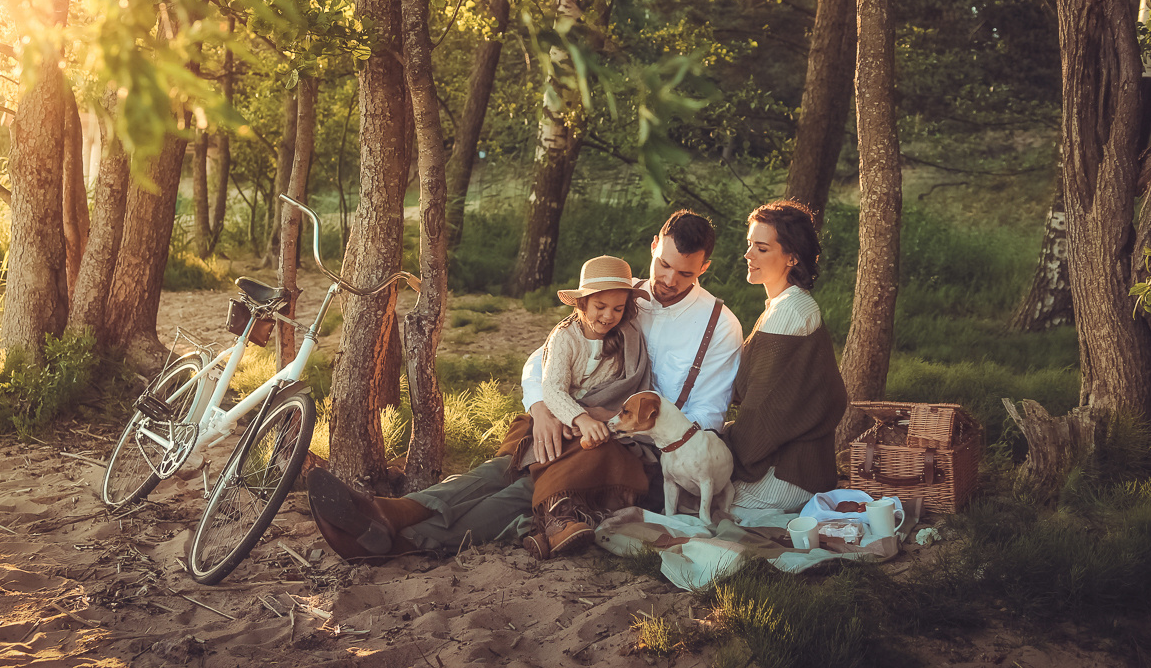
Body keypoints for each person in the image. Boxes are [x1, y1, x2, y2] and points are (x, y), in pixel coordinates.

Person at [307, 210, 743, 561]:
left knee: (529, 484)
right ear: (654, 247)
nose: (667, 280)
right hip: (575, 417)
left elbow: (707, 415)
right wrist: (543, 409)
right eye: (662, 265)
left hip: (646, 448)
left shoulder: (718, 326)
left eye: (683, 273)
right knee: (513, 465)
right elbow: (544, 360)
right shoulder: (619, 292)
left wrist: (623, 425)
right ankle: (391, 513)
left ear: (704, 267)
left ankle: (408, 536)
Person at [497, 255, 652, 558]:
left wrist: (600, 418)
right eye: (600, 307)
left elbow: (624, 387)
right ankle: (556, 517)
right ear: (581, 304)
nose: (609, 316)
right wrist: (580, 418)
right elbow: (552, 388)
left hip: (600, 418)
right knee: (558, 450)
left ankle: (548, 527)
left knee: (608, 454)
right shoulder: (565, 338)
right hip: (564, 415)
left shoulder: (627, 337)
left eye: (618, 308)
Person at [724, 199, 848, 512]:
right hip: (785, 458)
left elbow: (762, 411)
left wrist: (726, 449)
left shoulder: (789, 314)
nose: (748, 255)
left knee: (712, 506)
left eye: (762, 248)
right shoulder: (783, 305)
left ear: (791, 257)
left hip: (791, 471)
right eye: (750, 244)